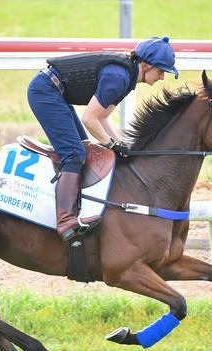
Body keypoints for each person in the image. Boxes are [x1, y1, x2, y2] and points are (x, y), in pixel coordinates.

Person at [27, 36, 179, 243]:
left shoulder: (127, 77)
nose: (162, 77)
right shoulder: (119, 77)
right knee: (74, 155)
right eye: (161, 71)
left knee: (84, 150)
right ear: (146, 65)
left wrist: (120, 143)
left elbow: (102, 117)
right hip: (45, 91)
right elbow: (89, 119)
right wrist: (111, 144)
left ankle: (77, 208)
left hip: (55, 92)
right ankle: (65, 220)